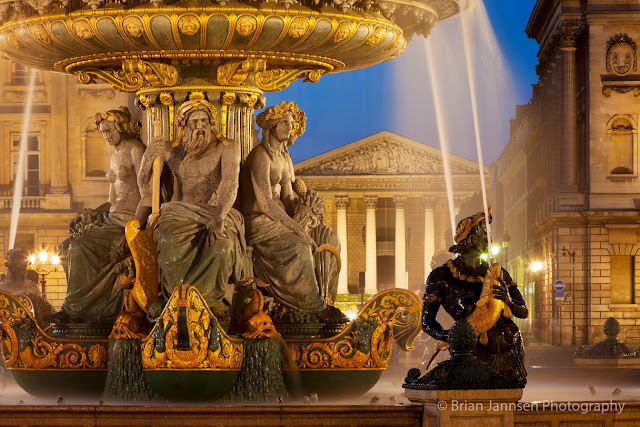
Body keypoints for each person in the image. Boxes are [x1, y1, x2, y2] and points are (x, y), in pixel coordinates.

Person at [138, 96, 246, 318]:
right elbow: (145, 190)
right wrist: (147, 159)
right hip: (178, 213)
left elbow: (230, 183)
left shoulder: (227, 147)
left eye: (204, 121)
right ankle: (174, 300)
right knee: (167, 238)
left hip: (215, 212)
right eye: (193, 121)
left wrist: (219, 219)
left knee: (222, 245)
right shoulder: (171, 151)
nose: (199, 127)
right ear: (183, 125)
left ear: (211, 123)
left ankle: (210, 302)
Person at [241, 101, 345, 324]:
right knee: (300, 245)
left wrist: (307, 212)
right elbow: (266, 203)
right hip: (259, 221)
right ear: (271, 126)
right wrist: (298, 228)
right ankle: (312, 306)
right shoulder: (261, 156)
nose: (290, 127)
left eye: (291, 123)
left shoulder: (285, 158)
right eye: (284, 123)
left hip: (281, 219)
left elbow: (288, 198)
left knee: (329, 238)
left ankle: (325, 298)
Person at [48, 107, 144, 324]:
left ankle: (75, 310)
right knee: (64, 247)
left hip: (127, 220)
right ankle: (81, 304)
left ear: (121, 126)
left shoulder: (136, 150)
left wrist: (134, 230)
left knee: (78, 248)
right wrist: (87, 214)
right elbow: (111, 200)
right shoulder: (114, 157)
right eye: (102, 132)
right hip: (111, 216)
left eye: (109, 130)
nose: (106, 136)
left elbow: (147, 194)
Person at [421, 209, 528, 386]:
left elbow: (523, 311)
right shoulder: (441, 276)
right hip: (471, 353)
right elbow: (426, 320)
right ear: (468, 239)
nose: (489, 239)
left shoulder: (498, 273)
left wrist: (509, 301)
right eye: (484, 234)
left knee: (507, 402)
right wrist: (449, 336)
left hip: (510, 348)